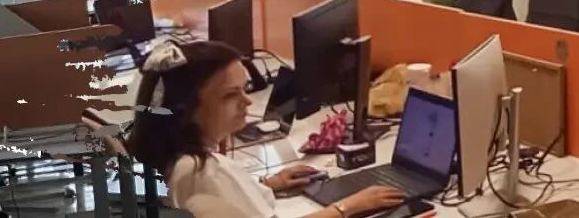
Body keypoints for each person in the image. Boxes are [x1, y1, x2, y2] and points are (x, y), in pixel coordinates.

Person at [126, 40, 404, 218]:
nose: (247, 101)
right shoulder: (202, 171)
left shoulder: (166, 153)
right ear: (186, 110)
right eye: (230, 94)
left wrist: (267, 184)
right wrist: (348, 207)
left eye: (245, 89)